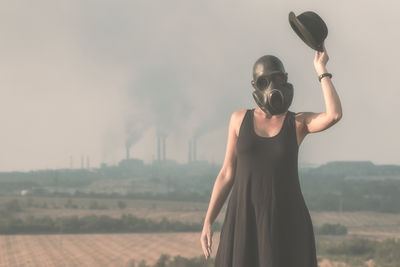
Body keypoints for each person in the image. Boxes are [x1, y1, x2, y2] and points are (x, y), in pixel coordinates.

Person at [200, 43, 342, 266]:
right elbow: (227, 173)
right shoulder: (239, 119)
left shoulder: (297, 122)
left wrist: (321, 69)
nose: (274, 85)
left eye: (279, 79)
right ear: (255, 85)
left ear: (285, 80)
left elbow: (333, 115)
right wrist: (208, 220)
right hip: (244, 217)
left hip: (285, 219)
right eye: (266, 80)